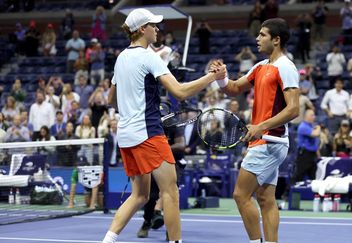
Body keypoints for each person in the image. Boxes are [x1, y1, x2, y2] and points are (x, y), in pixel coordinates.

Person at [102, 8, 226, 243]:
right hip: (148, 133)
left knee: (139, 195)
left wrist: (136, 103)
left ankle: (108, 240)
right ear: (142, 29)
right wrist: (212, 77)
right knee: (170, 192)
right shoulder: (149, 56)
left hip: (127, 136)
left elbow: (110, 99)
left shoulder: (121, 58)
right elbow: (179, 92)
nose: (157, 29)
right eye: (153, 25)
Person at [215, 18, 299, 243]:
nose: (257, 38)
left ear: (276, 39)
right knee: (265, 199)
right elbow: (233, 89)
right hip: (267, 141)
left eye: (262, 35)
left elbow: (294, 109)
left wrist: (261, 126)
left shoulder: (286, 68)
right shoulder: (260, 66)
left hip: (270, 141)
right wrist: (222, 77)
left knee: (240, 195)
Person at [137, 99, 186, 239]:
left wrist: (161, 149)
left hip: (174, 162)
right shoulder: (149, 125)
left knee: (170, 194)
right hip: (154, 163)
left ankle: (171, 232)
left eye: (163, 114)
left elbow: (181, 145)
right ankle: (147, 222)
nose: (161, 117)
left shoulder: (175, 125)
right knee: (150, 196)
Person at [292, 109, 320, 183]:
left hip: (312, 155)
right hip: (304, 155)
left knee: (313, 177)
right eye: (312, 115)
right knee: (299, 176)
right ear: (306, 116)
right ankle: (292, 192)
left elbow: (315, 142)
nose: (314, 117)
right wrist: (319, 127)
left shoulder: (310, 126)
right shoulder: (303, 126)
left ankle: (311, 193)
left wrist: (318, 154)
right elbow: (316, 134)